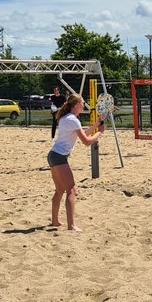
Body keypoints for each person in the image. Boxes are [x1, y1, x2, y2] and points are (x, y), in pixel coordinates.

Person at [48, 93, 104, 231]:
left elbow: (81, 134)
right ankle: (71, 226)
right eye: (83, 101)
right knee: (72, 190)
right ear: (76, 104)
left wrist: (96, 125)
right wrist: (100, 132)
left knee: (60, 190)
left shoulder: (67, 118)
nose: (84, 104)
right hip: (59, 157)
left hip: (53, 155)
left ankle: (55, 221)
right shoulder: (72, 119)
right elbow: (86, 141)